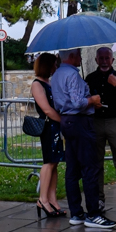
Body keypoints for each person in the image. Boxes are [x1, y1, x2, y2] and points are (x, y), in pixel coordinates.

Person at [50, 49, 115, 229]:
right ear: (71, 57)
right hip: (80, 122)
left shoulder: (56, 74)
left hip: (67, 121)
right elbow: (78, 102)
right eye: (78, 55)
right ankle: (94, 214)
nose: (80, 58)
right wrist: (92, 100)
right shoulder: (72, 75)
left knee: (72, 169)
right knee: (89, 167)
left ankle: (76, 212)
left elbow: (60, 102)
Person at [86, 47, 116, 217]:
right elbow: (85, 99)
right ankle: (99, 199)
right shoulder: (91, 78)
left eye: (108, 58)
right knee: (97, 162)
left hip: (114, 121)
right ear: (97, 60)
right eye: (102, 58)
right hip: (97, 122)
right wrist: (92, 102)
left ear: (112, 60)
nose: (105, 61)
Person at [30, 53, 65, 217]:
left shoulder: (48, 83)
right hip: (49, 126)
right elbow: (46, 109)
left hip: (55, 126)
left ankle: (52, 198)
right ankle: (42, 199)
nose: (55, 68)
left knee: (54, 162)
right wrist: (63, 122)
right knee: (49, 162)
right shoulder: (37, 84)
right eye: (54, 65)